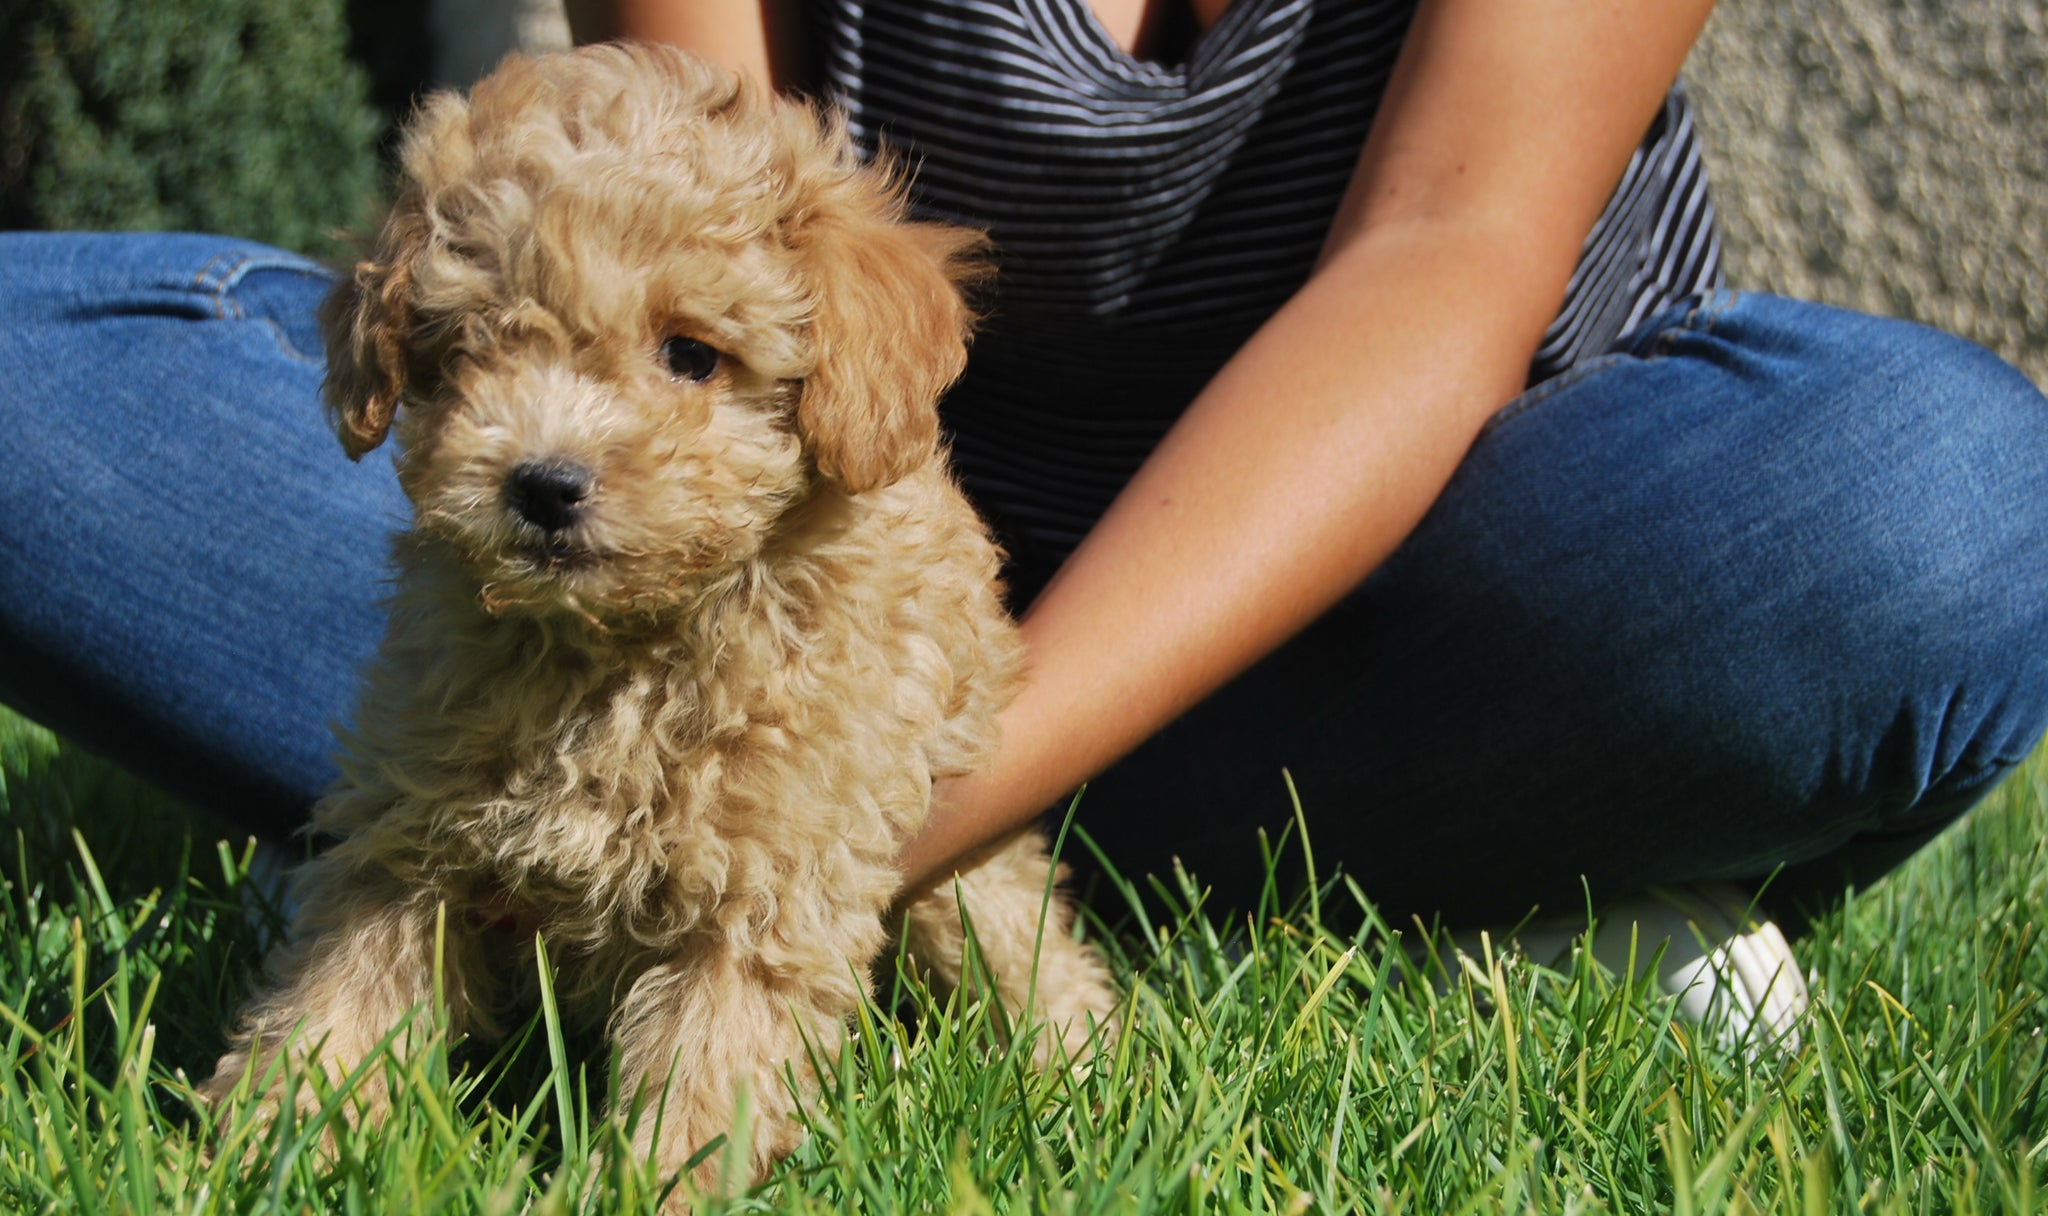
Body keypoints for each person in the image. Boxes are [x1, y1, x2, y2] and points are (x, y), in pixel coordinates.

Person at [5, 0, 2048, 1041]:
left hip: (1404, 605)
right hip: (721, 617)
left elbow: (1437, 260)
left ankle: (879, 872)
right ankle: (1493, 890)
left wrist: (867, 808)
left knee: (1927, 507)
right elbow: (654, 199)